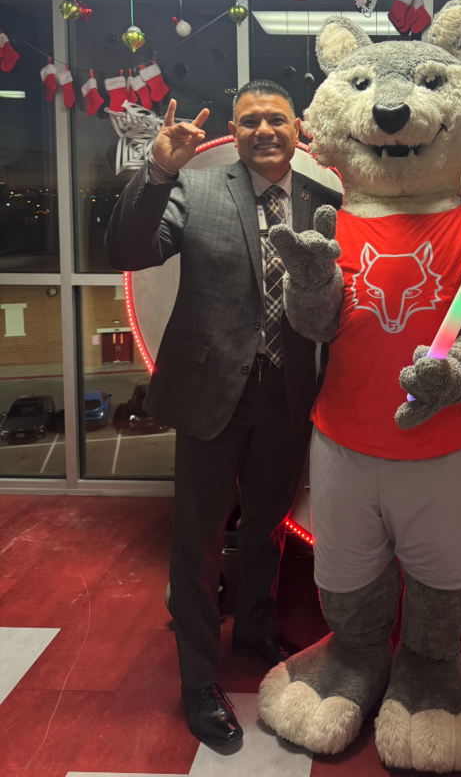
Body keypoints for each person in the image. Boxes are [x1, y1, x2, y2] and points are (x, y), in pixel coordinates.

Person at [105, 80, 343, 746]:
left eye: (276, 119)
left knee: (266, 526)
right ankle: (197, 680)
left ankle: (258, 631)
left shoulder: (326, 202)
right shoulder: (196, 189)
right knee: (199, 540)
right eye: (250, 122)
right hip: (212, 392)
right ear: (233, 133)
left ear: (298, 128)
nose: (264, 131)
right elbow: (127, 251)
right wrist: (157, 170)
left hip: (288, 393)